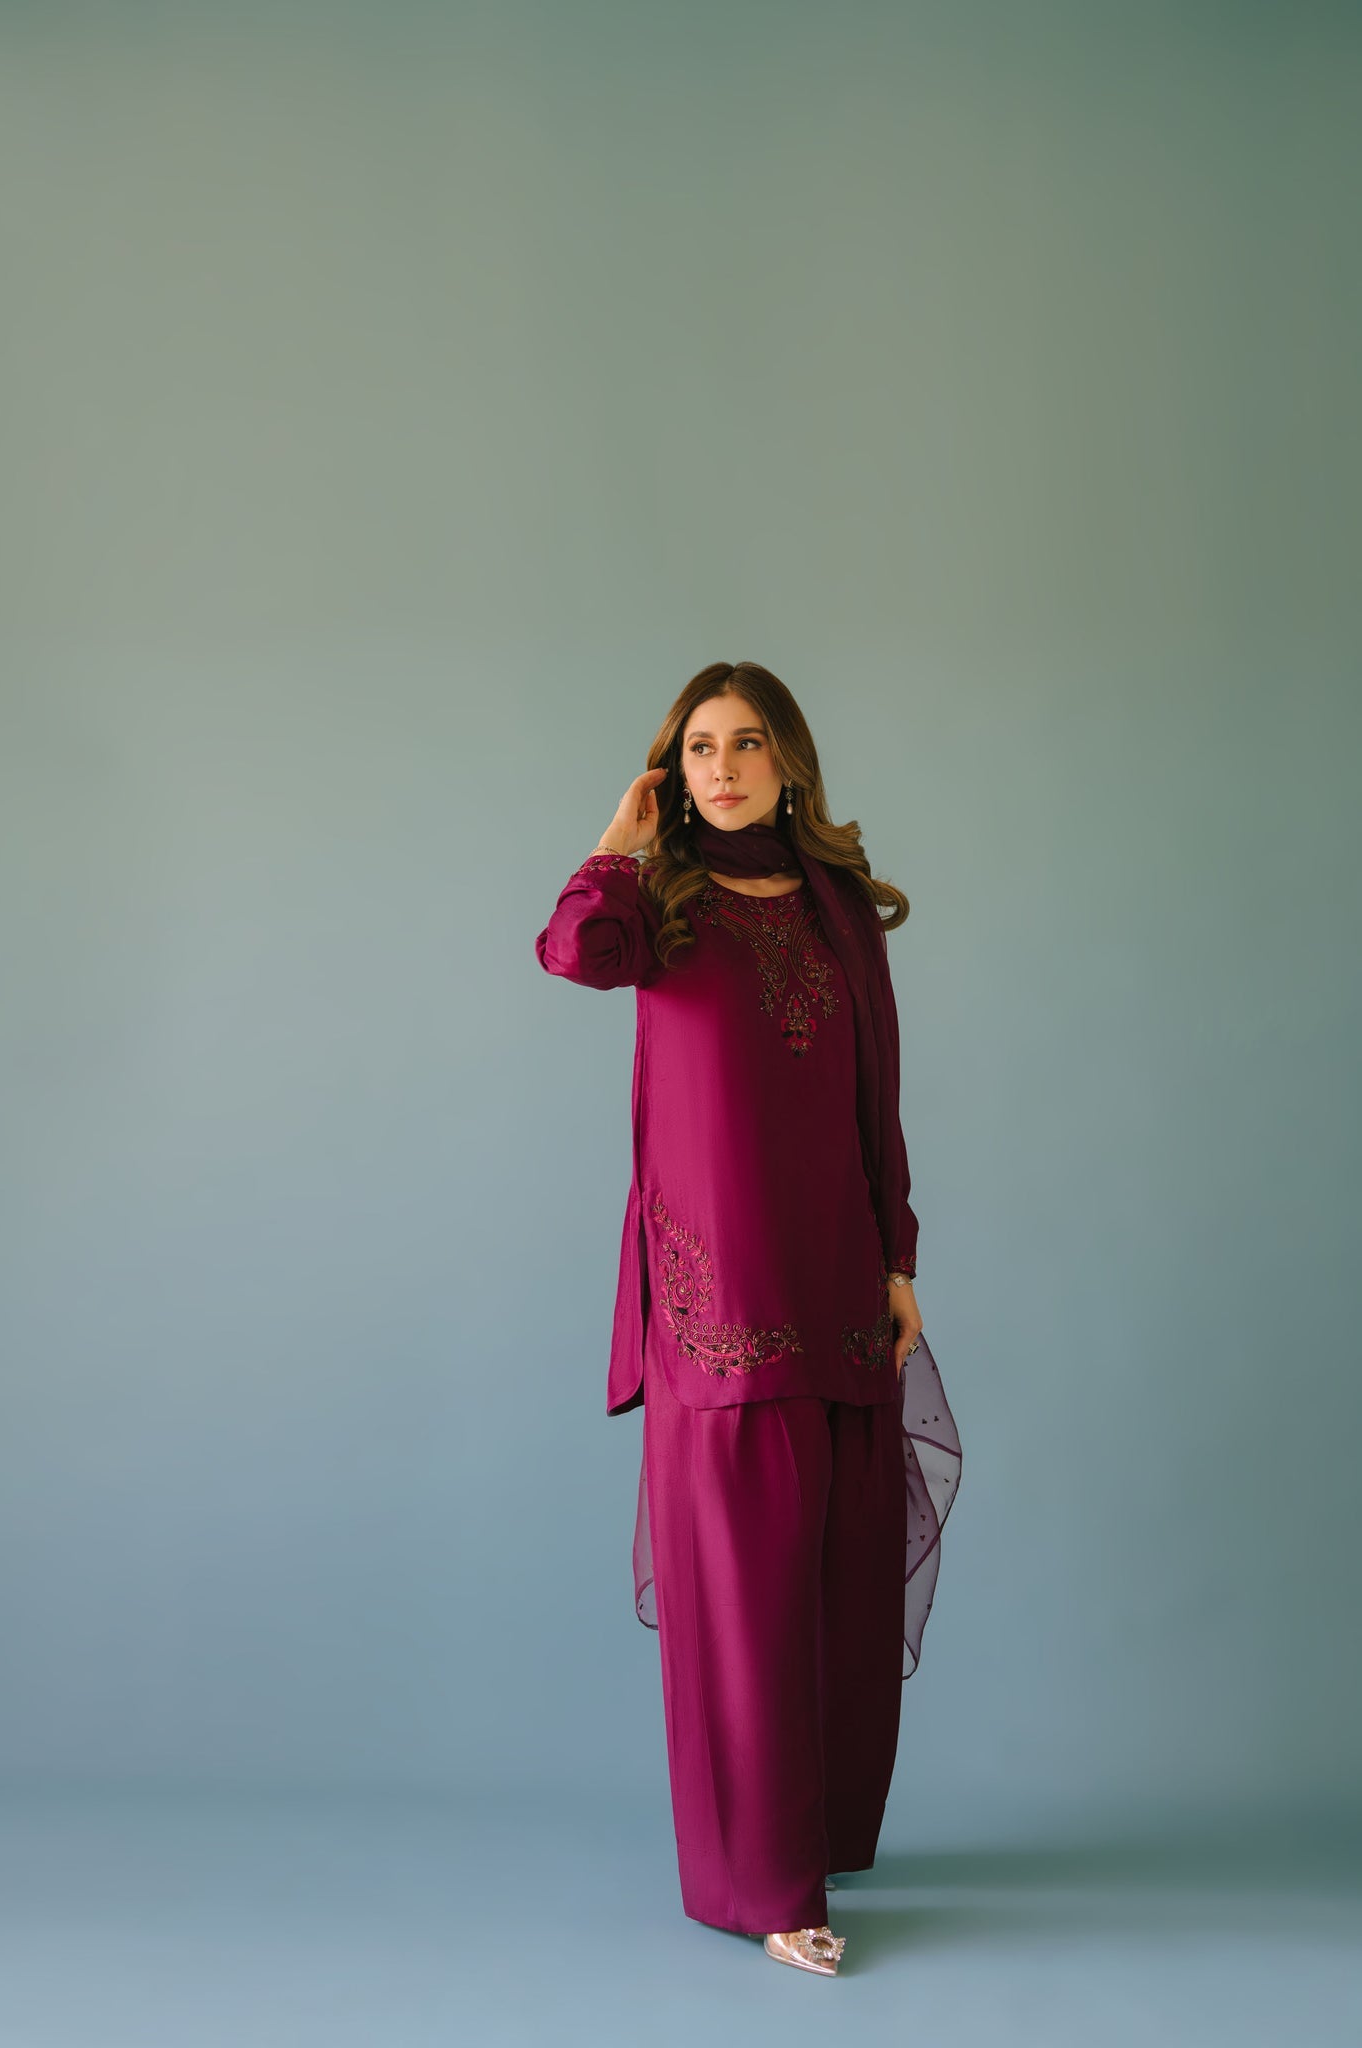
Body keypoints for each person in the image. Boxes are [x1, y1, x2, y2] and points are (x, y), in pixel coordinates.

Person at [534, 661, 961, 1976]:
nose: (722, 768)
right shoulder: (656, 904)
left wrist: (897, 1259)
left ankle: (817, 1838)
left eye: (748, 743)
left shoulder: (839, 909)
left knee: (838, 1579)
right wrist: (613, 847)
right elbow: (571, 954)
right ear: (673, 770)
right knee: (746, 1596)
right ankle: (767, 1887)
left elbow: (877, 1095)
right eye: (700, 748)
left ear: (790, 763)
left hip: (838, 1279)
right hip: (715, 1295)